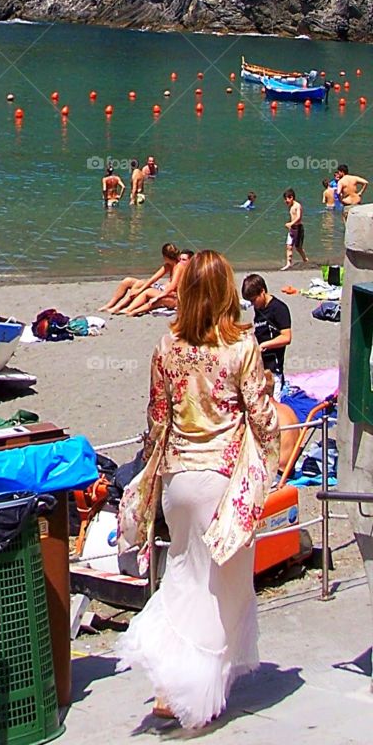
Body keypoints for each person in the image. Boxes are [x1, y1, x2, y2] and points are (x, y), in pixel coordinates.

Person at [116, 250, 280, 728]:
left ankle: (174, 687)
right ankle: (188, 687)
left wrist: (152, 468)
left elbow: (157, 416)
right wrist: (272, 457)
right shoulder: (242, 346)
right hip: (222, 482)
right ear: (228, 291)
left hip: (178, 479)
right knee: (220, 588)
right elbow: (260, 416)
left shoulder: (167, 346)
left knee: (183, 573)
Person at [241, 274, 291, 395]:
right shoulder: (259, 306)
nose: (253, 304)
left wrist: (264, 345)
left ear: (262, 291)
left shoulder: (279, 308)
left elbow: (286, 337)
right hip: (259, 364)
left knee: (273, 403)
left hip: (274, 367)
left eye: (254, 300)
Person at [105, 243, 180, 315]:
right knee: (128, 281)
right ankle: (110, 305)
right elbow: (153, 279)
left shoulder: (179, 267)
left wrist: (155, 296)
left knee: (148, 291)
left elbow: (172, 287)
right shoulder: (169, 265)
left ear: (165, 256)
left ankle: (126, 308)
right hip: (164, 290)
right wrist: (139, 290)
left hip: (172, 296)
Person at [122, 249, 194, 317]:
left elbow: (176, 290)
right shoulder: (180, 269)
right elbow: (168, 285)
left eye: (184, 260)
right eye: (180, 259)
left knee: (154, 296)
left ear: (191, 261)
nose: (180, 262)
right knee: (138, 284)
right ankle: (128, 308)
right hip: (173, 295)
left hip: (179, 301)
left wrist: (157, 297)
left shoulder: (191, 274)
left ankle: (133, 310)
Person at [281, 187, 308, 269]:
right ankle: (288, 263)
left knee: (298, 247)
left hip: (298, 228)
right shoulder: (290, 206)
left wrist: (291, 223)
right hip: (292, 229)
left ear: (291, 197)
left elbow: (299, 217)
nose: (285, 201)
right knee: (288, 246)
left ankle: (305, 260)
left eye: (286, 199)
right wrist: (290, 225)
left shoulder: (297, 206)